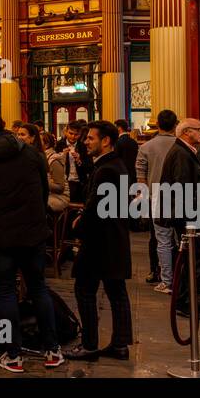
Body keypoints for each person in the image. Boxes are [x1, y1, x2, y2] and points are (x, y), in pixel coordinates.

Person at [0, 108, 64, 372]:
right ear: (4, 126)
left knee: (6, 292)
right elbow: (43, 190)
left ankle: (13, 353)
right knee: (38, 288)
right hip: (33, 232)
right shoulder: (29, 152)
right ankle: (52, 349)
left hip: (0, 236)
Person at [70, 120, 133, 360]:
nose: (85, 142)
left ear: (105, 141)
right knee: (116, 290)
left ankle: (89, 344)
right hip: (113, 237)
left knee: (84, 289)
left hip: (100, 240)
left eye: (90, 138)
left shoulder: (107, 169)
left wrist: (79, 225)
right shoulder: (114, 164)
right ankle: (119, 344)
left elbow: (97, 206)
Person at [160, 118, 200, 316]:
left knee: (191, 259)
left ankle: (186, 300)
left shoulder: (185, 151)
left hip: (190, 215)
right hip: (191, 217)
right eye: (198, 129)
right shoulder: (181, 153)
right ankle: (186, 302)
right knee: (193, 260)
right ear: (186, 132)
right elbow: (182, 185)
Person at [136, 109, 178, 290]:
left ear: (158, 125)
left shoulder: (145, 148)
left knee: (162, 240)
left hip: (157, 198)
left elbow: (141, 179)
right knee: (180, 239)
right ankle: (181, 278)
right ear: (175, 125)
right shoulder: (181, 145)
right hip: (181, 197)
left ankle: (166, 279)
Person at [41, 131, 70, 214]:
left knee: (35, 205)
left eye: (38, 141)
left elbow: (60, 188)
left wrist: (41, 181)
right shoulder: (41, 157)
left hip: (59, 197)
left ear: (46, 145)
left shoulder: (54, 160)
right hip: (47, 195)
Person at [113, 119, 139, 187]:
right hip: (133, 174)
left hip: (121, 174)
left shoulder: (117, 142)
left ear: (119, 128)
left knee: (123, 196)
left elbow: (116, 159)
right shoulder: (134, 142)